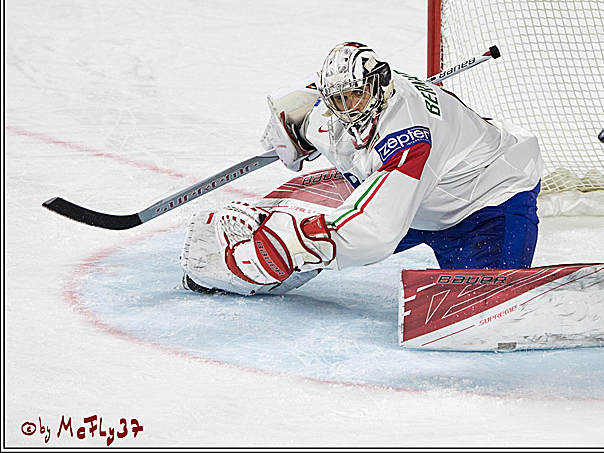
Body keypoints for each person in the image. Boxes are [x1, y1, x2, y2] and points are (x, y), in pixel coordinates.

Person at [180, 41, 543, 297]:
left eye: (354, 96)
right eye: (337, 99)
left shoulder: (409, 134)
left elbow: (377, 229)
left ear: (378, 82)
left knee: (482, 305)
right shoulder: (334, 103)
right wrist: (287, 132)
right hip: (416, 198)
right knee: (321, 235)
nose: (347, 107)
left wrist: (295, 241)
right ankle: (254, 255)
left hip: (485, 203)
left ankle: (280, 242)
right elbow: (288, 108)